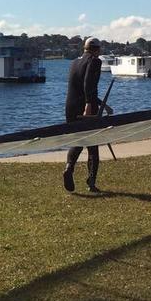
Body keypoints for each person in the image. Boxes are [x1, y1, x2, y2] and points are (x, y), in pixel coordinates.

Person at [63, 37, 111, 193]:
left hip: (70, 106)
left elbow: (81, 86)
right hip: (86, 107)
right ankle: (91, 182)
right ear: (96, 49)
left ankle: (69, 167)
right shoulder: (95, 61)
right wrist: (89, 106)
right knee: (93, 144)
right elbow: (88, 85)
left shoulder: (74, 62)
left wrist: (104, 104)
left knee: (79, 139)